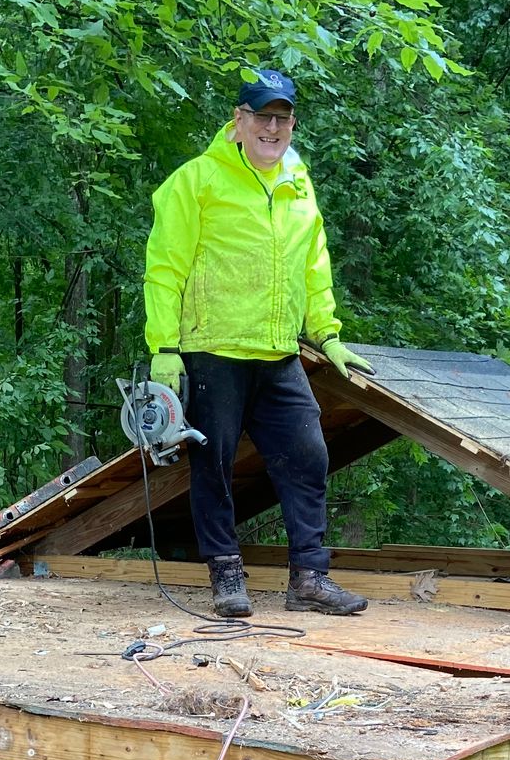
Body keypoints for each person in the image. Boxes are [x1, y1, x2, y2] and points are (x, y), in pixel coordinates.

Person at [142, 69, 375, 618]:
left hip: (277, 350)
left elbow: (313, 265)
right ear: (239, 121)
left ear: (292, 124)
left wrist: (328, 334)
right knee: (213, 463)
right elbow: (164, 267)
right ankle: (226, 577)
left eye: (283, 118)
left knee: (308, 456)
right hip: (212, 347)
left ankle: (310, 580)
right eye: (262, 117)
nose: (273, 128)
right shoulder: (196, 180)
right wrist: (164, 348)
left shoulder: (299, 184)